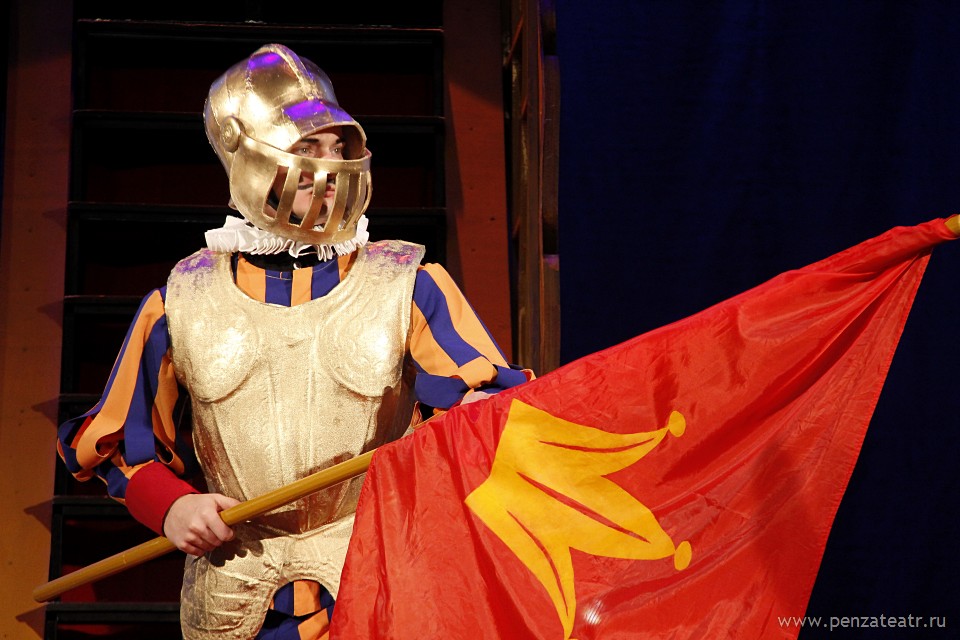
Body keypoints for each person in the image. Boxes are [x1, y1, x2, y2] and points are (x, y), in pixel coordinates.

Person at [57, 43, 531, 640]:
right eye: (307, 148)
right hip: (237, 590)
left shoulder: (407, 284)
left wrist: (480, 419)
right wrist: (171, 505)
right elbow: (118, 440)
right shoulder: (181, 300)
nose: (331, 167)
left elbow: (482, 405)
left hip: (378, 578)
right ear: (248, 156)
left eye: (339, 147)